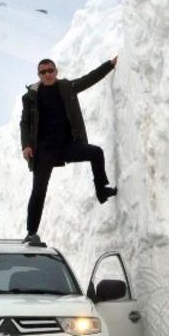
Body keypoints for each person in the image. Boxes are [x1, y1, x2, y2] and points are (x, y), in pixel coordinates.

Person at [20, 56, 117, 239]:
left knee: (96, 153)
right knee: (39, 190)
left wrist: (110, 65)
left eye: (50, 71)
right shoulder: (30, 97)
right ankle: (31, 233)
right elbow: (24, 123)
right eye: (43, 72)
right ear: (38, 75)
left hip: (66, 146)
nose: (47, 74)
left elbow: (89, 79)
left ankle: (101, 190)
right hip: (44, 150)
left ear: (56, 72)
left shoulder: (67, 87)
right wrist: (26, 145)